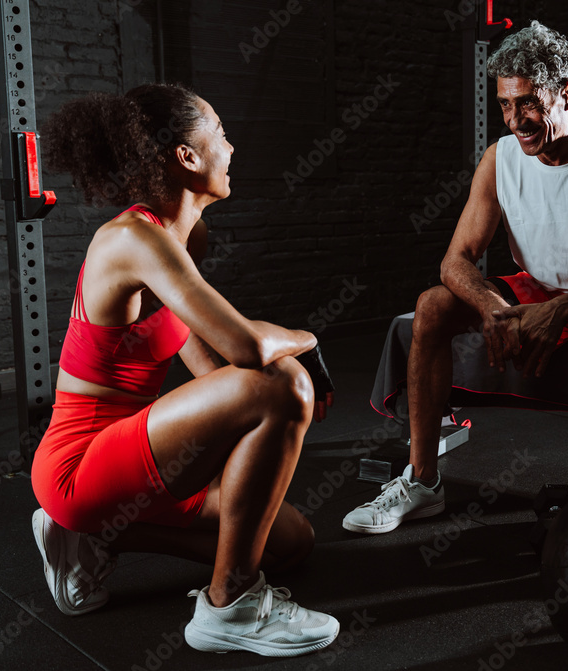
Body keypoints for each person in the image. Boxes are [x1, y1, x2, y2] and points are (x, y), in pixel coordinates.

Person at [30, 82, 339, 657]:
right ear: (187, 156)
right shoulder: (131, 238)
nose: (231, 146)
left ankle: (93, 537)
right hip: (81, 462)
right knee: (285, 382)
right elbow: (247, 348)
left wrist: (247, 454)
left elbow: (210, 372)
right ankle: (230, 605)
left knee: (291, 544)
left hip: (132, 464)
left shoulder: (181, 240)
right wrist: (308, 341)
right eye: (220, 133)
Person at [343, 21, 568, 535]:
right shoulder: (500, 158)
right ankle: (423, 481)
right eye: (505, 104)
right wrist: (494, 309)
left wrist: (561, 311)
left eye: (527, 103)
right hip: (533, 287)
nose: (514, 120)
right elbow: (455, 259)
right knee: (432, 305)